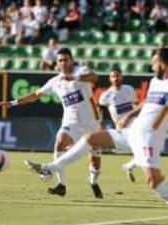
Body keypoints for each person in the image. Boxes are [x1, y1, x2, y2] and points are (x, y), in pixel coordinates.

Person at [25, 47, 168, 203]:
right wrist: (128, 115)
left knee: (154, 181)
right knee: (91, 138)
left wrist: (154, 128)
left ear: (163, 64)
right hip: (132, 132)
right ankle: (49, 168)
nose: (152, 66)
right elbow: (148, 102)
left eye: (154, 62)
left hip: (148, 138)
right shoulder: (155, 81)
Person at [0, 47, 103, 198]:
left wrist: (76, 78)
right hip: (71, 121)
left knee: (95, 164)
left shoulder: (81, 70)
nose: (63, 63)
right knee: (60, 142)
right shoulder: (54, 82)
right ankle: (62, 185)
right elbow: (36, 95)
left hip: (91, 124)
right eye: (60, 60)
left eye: (66, 59)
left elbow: (94, 77)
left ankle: (93, 182)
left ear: (72, 60)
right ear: (57, 63)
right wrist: (13, 103)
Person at [99, 67, 138, 182]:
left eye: (117, 75)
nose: (115, 78)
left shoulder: (129, 89)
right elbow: (100, 112)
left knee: (144, 149)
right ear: (109, 79)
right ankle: (129, 166)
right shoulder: (105, 96)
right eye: (113, 76)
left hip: (134, 124)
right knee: (142, 152)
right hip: (121, 128)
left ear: (121, 76)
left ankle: (129, 166)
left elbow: (135, 105)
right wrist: (100, 125)